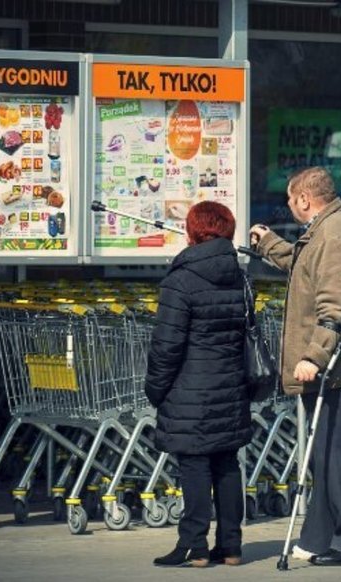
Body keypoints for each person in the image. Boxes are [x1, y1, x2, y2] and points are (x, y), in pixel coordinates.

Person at [249, 166, 341, 567]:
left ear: (304, 200)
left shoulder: (334, 235)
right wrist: (269, 244)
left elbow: (335, 304)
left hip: (339, 366)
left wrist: (314, 356)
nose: (290, 207)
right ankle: (318, 536)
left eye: (291, 200)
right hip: (337, 364)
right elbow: (304, 264)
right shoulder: (330, 229)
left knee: (334, 453)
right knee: (323, 453)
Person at [145, 201, 252, 568]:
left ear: (193, 231)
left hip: (189, 389)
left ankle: (194, 546)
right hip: (231, 386)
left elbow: (167, 345)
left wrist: (156, 389)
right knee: (226, 463)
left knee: (193, 464)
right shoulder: (239, 277)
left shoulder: (181, 278)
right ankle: (232, 546)